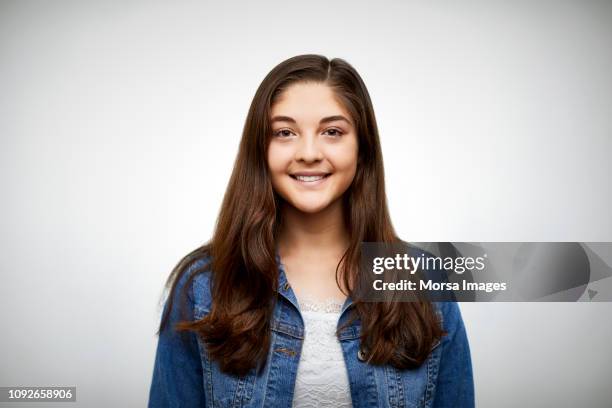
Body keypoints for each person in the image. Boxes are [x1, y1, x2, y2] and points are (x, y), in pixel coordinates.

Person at [148, 54, 474, 407]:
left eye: (332, 132)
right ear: (261, 149)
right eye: (285, 133)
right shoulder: (200, 286)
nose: (308, 153)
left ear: (361, 149)